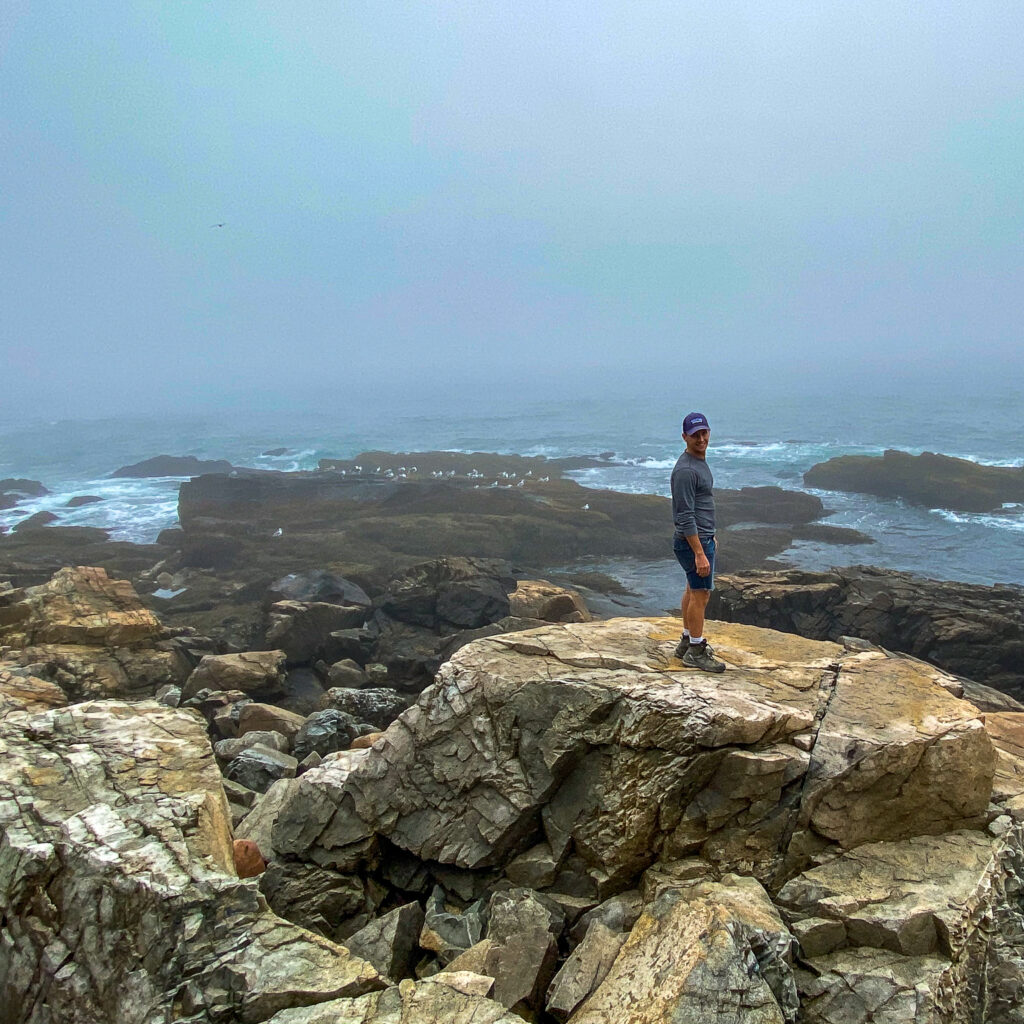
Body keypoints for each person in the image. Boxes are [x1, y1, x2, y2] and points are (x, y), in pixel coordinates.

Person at [671, 411, 726, 672]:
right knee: (701, 596)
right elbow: (685, 515)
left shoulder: (697, 462)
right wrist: (700, 552)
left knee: (692, 591)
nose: (701, 438)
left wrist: (710, 533)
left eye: (704, 433)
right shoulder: (685, 471)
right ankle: (696, 650)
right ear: (685, 437)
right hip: (694, 542)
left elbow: (699, 506)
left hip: (701, 537)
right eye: (695, 435)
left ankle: (685, 640)